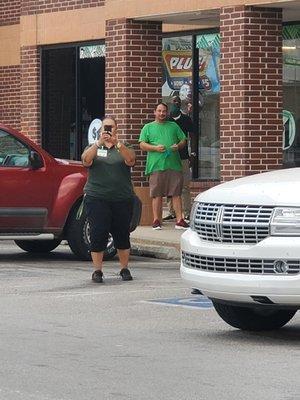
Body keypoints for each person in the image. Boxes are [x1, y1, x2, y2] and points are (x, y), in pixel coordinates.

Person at [81, 116, 136, 283]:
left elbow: (131, 160)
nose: (108, 130)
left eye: (111, 127)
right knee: (98, 234)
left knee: (122, 234)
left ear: (116, 128)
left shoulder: (124, 146)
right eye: (105, 127)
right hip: (97, 198)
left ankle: (124, 268)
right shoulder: (94, 147)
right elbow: (86, 161)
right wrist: (98, 144)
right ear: (100, 129)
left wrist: (117, 143)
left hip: (121, 198)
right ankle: (97, 271)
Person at [139, 102, 189, 230]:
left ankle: (180, 220)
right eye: (159, 111)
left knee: (176, 193)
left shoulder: (173, 126)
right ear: (154, 112)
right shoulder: (148, 127)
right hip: (156, 165)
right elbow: (142, 145)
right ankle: (156, 220)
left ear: (167, 112)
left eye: (164, 111)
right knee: (157, 194)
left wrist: (178, 146)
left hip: (174, 165)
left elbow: (183, 140)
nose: (162, 113)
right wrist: (155, 148)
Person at [163, 95, 194, 221]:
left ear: (180, 104)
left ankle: (186, 212)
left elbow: (193, 136)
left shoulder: (186, 119)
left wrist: (193, 154)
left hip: (183, 156)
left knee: (185, 185)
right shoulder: (167, 120)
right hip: (169, 157)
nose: (176, 103)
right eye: (174, 101)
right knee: (169, 185)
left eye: (178, 101)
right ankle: (172, 212)